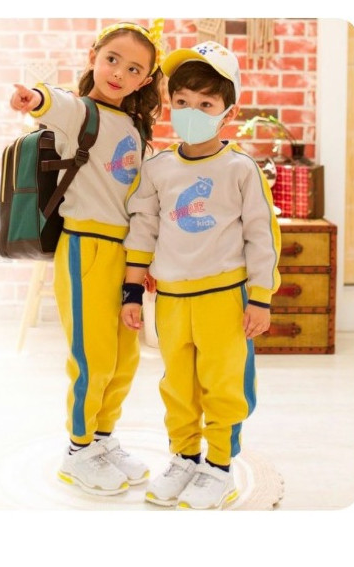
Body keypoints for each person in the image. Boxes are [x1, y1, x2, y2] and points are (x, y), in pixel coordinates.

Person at [121, 41, 281, 510]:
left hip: (223, 299)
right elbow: (143, 229)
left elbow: (261, 236)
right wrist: (132, 290)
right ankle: (185, 457)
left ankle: (219, 466)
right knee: (177, 386)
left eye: (206, 105)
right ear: (170, 104)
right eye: (183, 101)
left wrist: (261, 298)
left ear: (228, 113)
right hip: (171, 300)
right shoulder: (158, 168)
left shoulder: (240, 169)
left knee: (223, 385)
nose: (192, 112)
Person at [9, 20, 164, 496]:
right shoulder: (80, 113)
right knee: (91, 356)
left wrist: (145, 262)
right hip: (85, 249)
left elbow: (141, 200)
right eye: (112, 59)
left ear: (145, 80)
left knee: (124, 358)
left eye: (133, 69)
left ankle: (102, 439)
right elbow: (50, 101)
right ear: (94, 56)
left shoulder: (136, 128)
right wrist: (33, 98)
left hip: (125, 253)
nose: (119, 73)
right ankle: (78, 450)